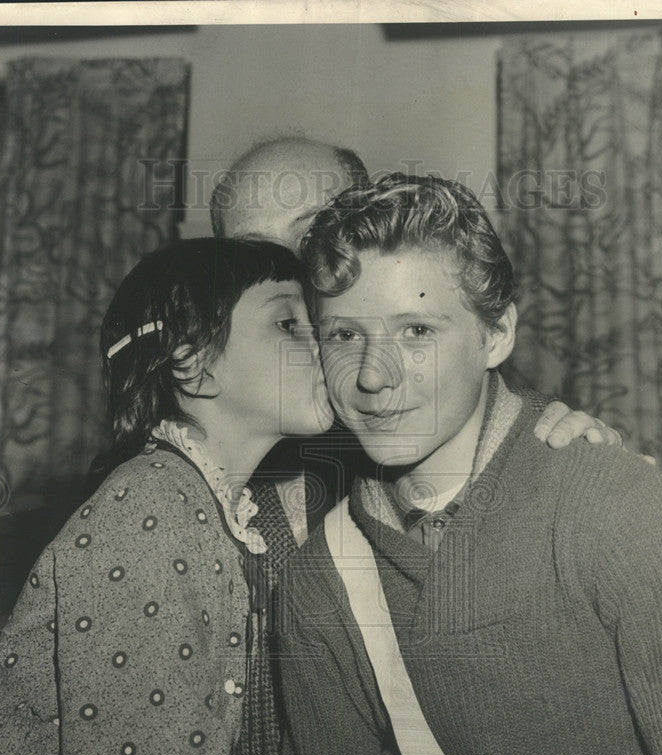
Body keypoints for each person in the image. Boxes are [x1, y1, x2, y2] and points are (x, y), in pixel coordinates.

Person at [273, 174, 662, 755]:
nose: (376, 376)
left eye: (417, 331)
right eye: (344, 335)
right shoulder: (323, 573)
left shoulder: (609, 502)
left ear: (496, 336)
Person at [0, 238, 333, 755]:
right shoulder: (148, 506)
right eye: (286, 323)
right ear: (191, 364)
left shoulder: (199, 504)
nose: (322, 343)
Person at [208, 135, 626, 563]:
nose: (295, 274)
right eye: (257, 253)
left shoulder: (501, 425)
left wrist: (585, 460)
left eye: (315, 233)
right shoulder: (205, 455)